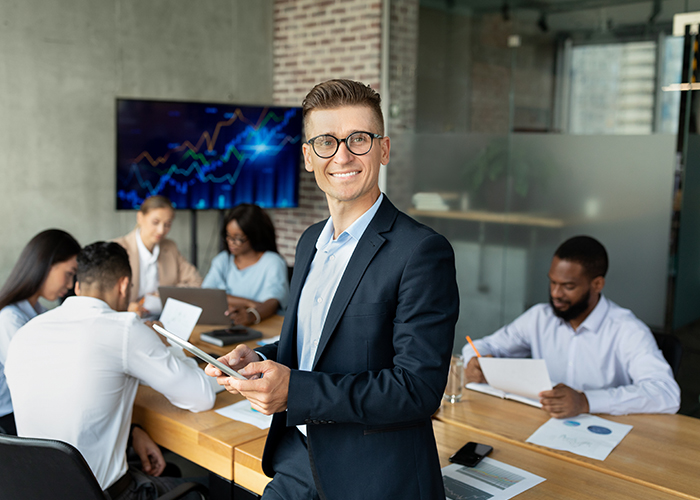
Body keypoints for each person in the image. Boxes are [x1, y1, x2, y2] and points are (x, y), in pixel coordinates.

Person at [206, 79, 459, 499]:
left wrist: (295, 391)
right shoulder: (308, 242)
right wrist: (260, 358)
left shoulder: (422, 251)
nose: (342, 155)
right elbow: (310, 347)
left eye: (358, 139)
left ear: (384, 149)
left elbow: (417, 389)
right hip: (295, 460)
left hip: (375, 479)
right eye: (326, 141)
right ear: (308, 156)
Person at [5, 241, 215, 499]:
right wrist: (164, 344)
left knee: (167, 470)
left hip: (36, 490)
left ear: (78, 286)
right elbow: (201, 397)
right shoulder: (125, 329)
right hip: (106, 495)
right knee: (209, 487)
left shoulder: (26, 331)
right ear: (124, 285)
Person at [463, 235, 680, 419]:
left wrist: (586, 402)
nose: (556, 294)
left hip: (602, 436)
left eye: (568, 286)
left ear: (597, 284)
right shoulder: (540, 317)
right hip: (540, 424)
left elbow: (666, 393)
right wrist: (476, 360)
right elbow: (484, 345)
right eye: (553, 282)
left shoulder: (627, 330)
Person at [0, 229, 81, 435]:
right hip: (10, 420)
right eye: (69, 274)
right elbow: (34, 379)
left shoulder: (40, 313)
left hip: (29, 412)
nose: (70, 284)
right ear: (47, 264)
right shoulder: (9, 318)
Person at [114, 195, 202, 317]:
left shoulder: (170, 248)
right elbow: (105, 294)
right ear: (140, 217)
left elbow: (196, 282)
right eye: (155, 222)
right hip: (128, 319)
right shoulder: (118, 248)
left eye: (167, 224)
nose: (161, 230)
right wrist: (125, 307)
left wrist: (163, 294)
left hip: (163, 319)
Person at [202, 204, 289, 326]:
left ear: (254, 235)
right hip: (228, 325)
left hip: (265, 327)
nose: (231, 242)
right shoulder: (223, 259)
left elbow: (272, 302)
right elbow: (206, 294)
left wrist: (250, 314)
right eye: (228, 236)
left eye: (238, 238)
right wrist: (250, 304)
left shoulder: (273, 262)